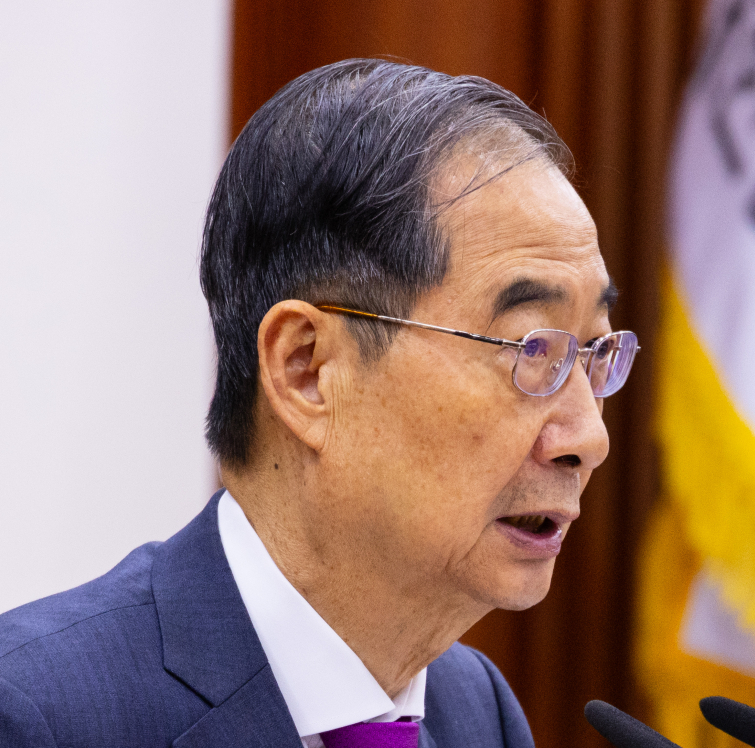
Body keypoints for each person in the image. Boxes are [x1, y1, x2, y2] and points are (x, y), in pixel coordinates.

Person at [0, 58, 637, 748]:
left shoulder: (474, 712)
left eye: (595, 353)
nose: (587, 437)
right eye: (530, 350)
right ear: (307, 370)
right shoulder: (41, 717)